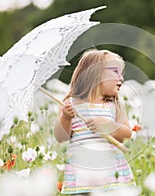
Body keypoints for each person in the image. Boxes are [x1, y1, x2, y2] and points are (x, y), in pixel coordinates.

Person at [54, 49, 136, 195]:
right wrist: (66, 118)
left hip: (112, 175)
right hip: (82, 174)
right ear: (95, 74)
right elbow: (61, 137)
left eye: (121, 73)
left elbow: (127, 135)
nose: (121, 78)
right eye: (115, 72)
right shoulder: (71, 104)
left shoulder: (114, 105)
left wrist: (110, 126)